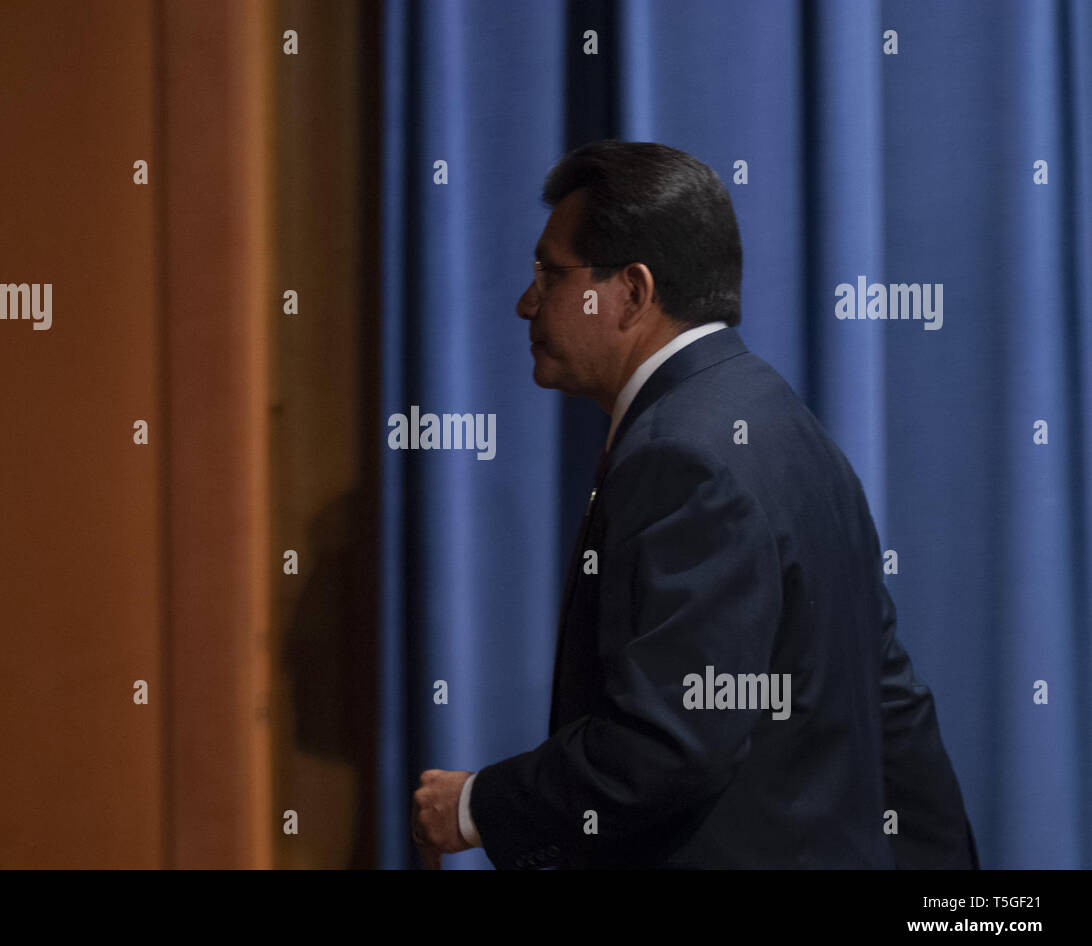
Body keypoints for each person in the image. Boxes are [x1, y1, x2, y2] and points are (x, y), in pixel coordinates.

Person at [411, 140, 978, 869]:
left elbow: (669, 743)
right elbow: (890, 703)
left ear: (634, 291)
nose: (527, 302)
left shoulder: (680, 455)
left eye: (550, 273)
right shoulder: (780, 419)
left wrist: (472, 807)